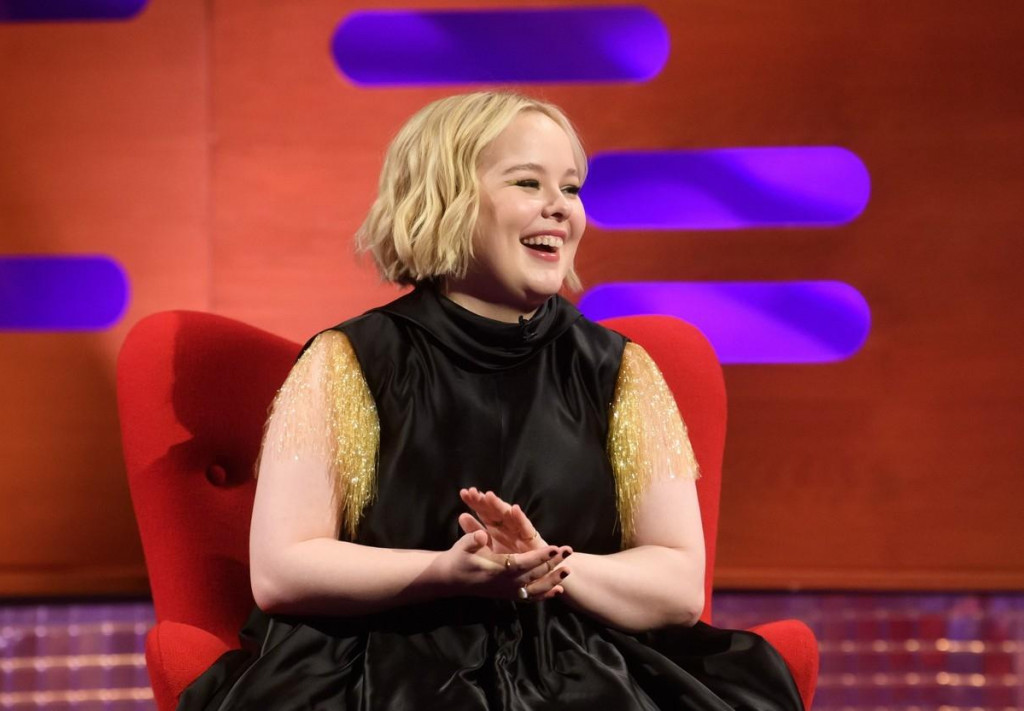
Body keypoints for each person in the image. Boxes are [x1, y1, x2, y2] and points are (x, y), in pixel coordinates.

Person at [178, 91, 803, 710]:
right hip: (383, 663)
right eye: (529, 183)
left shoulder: (619, 370)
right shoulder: (347, 361)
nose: (560, 207)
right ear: (443, 200)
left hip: (585, 662)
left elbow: (678, 585)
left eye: (572, 188)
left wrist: (545, 567)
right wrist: (444, 574)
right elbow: (282, 571)